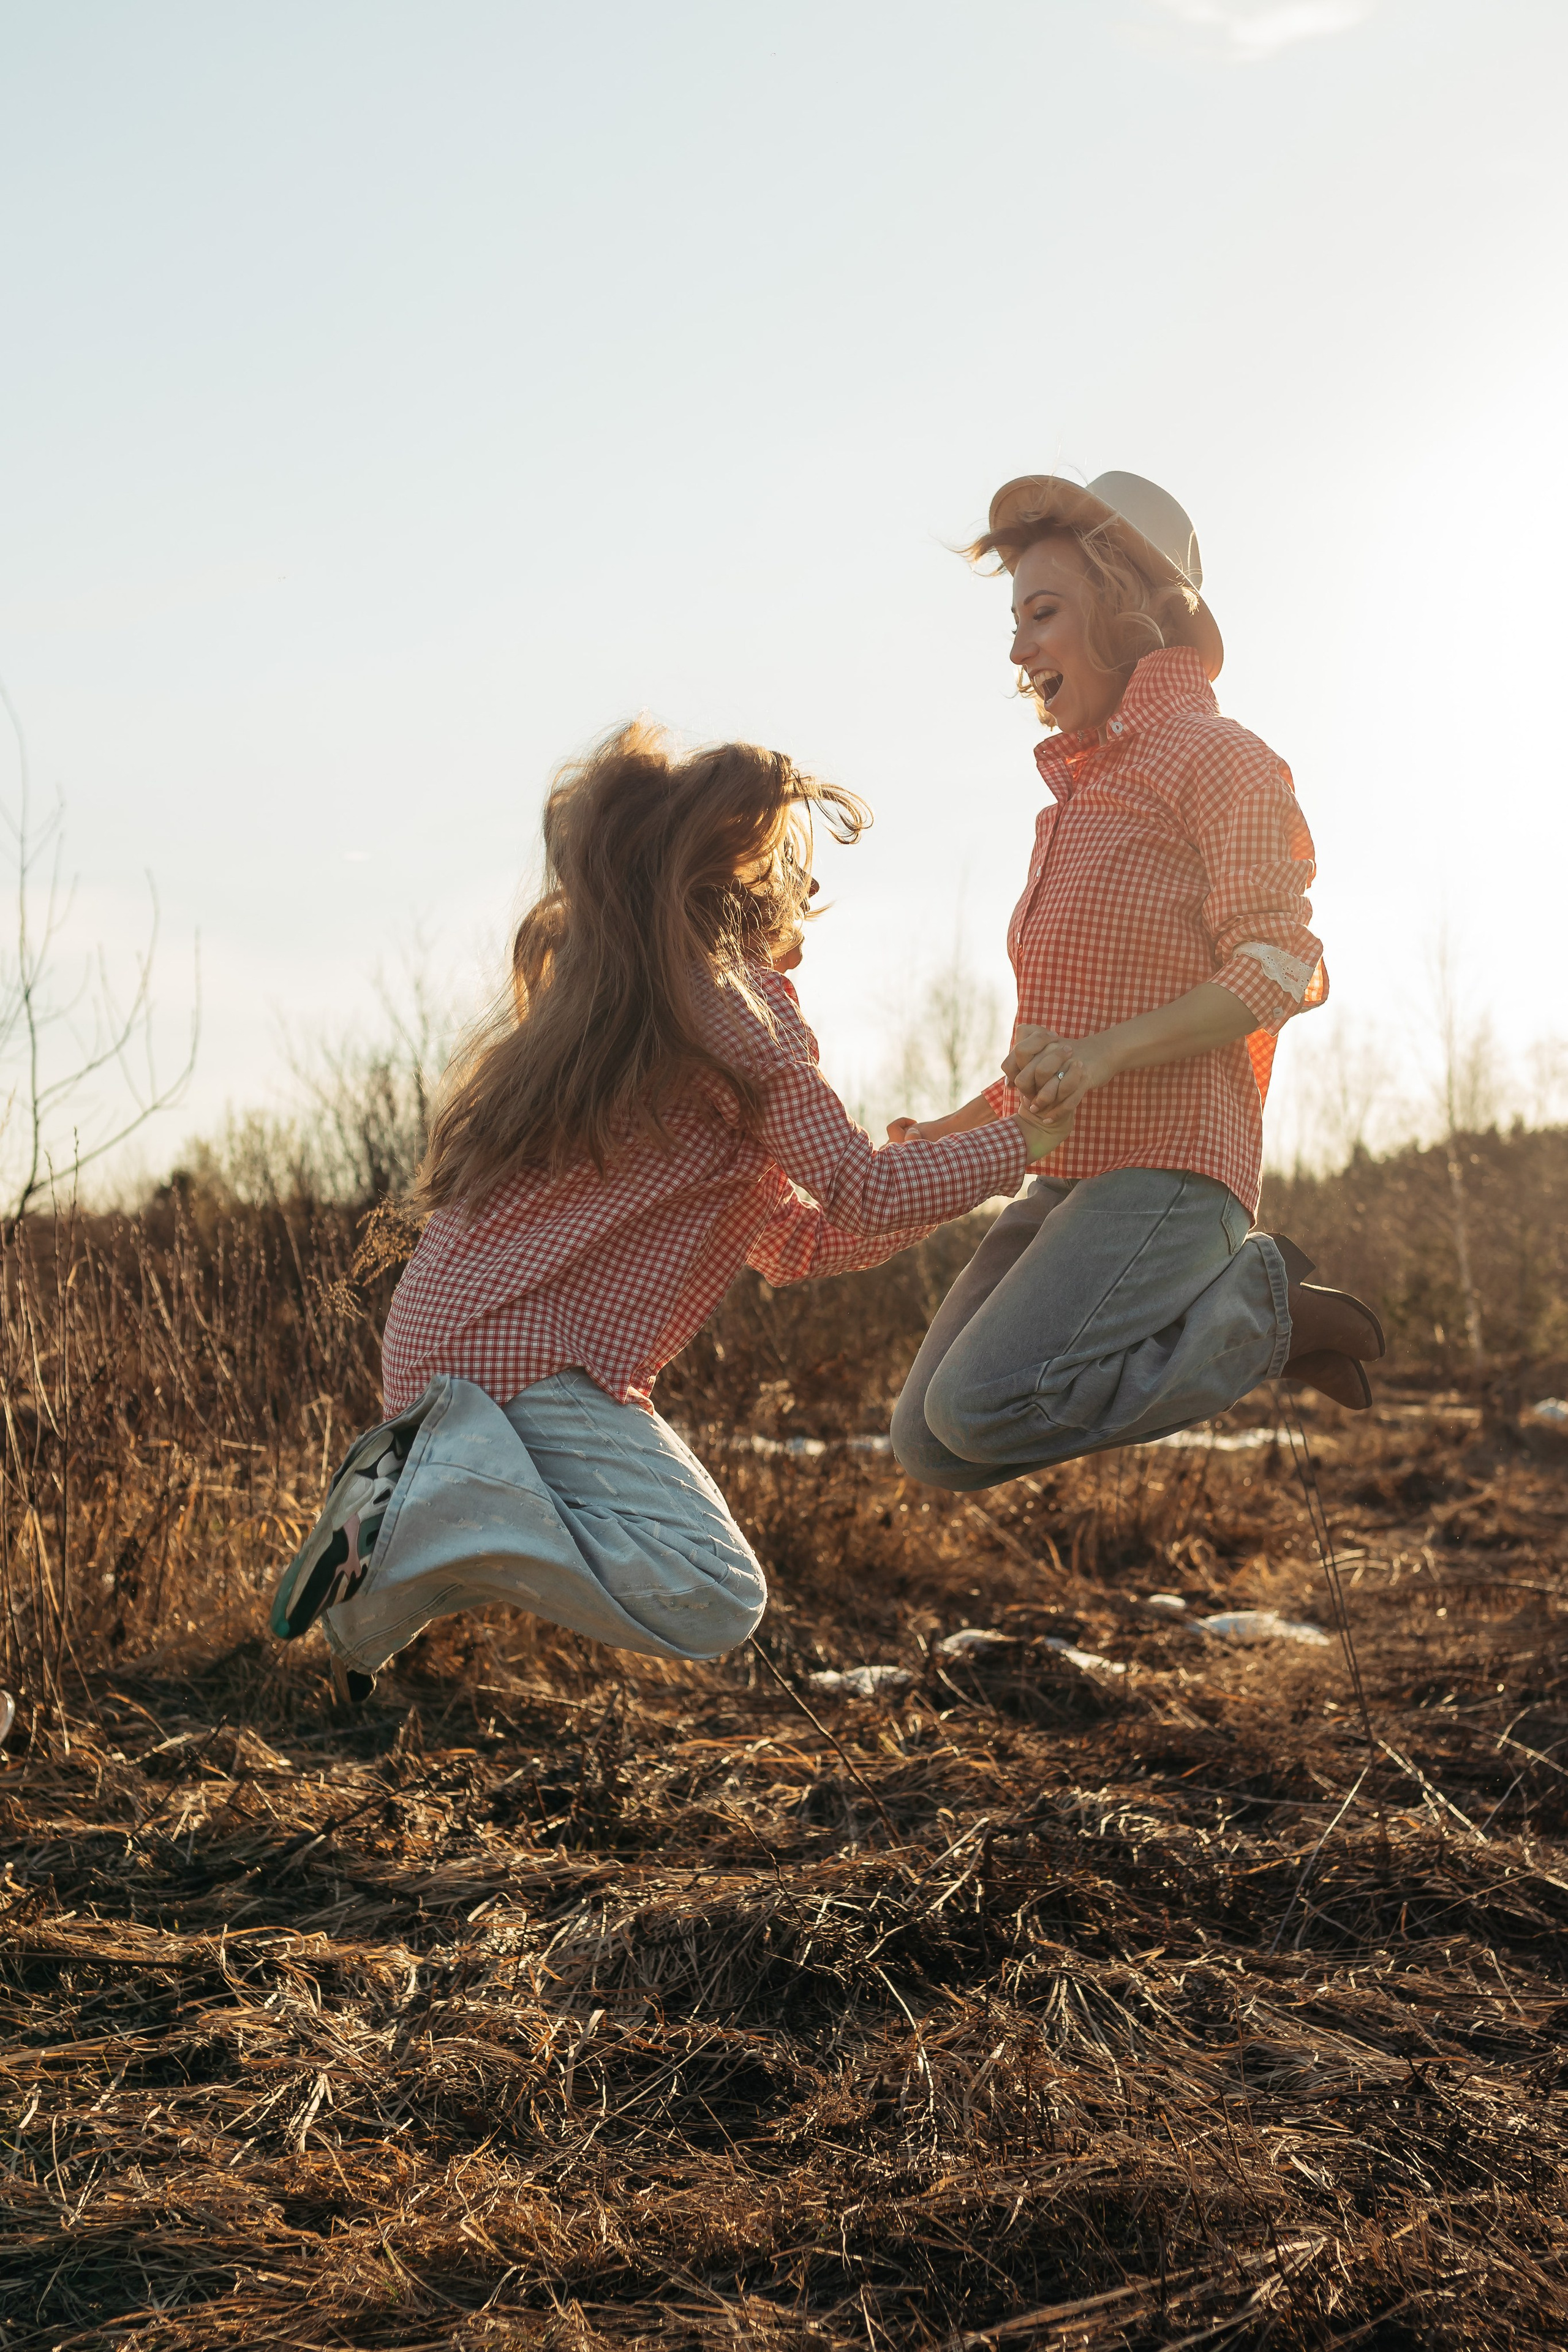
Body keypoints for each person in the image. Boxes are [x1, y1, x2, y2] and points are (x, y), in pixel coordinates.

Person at [270, 721, 1073, 1699]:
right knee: (714, 1591)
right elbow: (865, 1190)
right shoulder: (741, 1008)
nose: (812, 899)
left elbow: (803, 1242)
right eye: (798, 873)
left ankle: (389, 1548)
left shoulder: (666, 1008)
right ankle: (421, 1511)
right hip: (520, 1358)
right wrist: (1028, 1144)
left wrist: (987, 1131)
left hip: (446, 1343)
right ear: (755, 884)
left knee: (693, 1584)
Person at [890, 470, 1383, 1496]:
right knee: (931, 1443)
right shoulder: (1074, 803)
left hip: (1170, 1171)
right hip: (1068, 1169)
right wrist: (943, 1136)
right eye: (1014, 620)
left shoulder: (1223, 758)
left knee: (982, 1404)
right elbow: (1065, 1046)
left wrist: (1107, 1054)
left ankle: (1263, 1307)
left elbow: (1279, 965)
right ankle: (1266, 1327)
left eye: (1042, 613)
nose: (1019, 647)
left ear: (1127, 609)